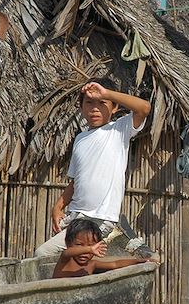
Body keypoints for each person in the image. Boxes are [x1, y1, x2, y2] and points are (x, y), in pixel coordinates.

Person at [35, 78, 151, 257]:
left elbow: (144, 108)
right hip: (75, 217)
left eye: (102, 103)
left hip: (99, 218)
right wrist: (57, 207)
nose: (95, 109)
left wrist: (107, 93)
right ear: (81, 107)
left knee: (43, 254)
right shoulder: (80, 139)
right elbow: (76, 181)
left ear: (114, 108)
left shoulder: (119, 130)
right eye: (89, 103)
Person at [52, 219, 152, 278]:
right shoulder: (65, 261)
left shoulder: (91, 265)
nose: (85, 252)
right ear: (68, 243)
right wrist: (90, 249)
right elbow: (67, 252)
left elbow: (115, 264)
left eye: (91, 245)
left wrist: (139, 261)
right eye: (79, 245)